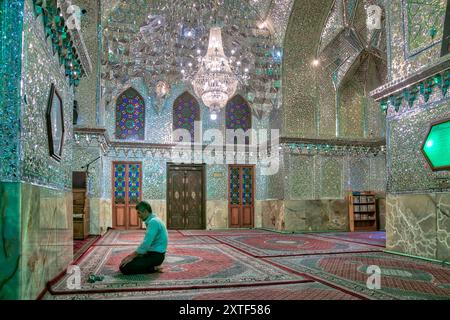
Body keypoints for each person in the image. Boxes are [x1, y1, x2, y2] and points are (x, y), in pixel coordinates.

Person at [119, 201, 168, 275]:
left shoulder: (153, 222)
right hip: (152, 253)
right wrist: (134, 256)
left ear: (145, 211)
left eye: (139, 213)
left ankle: (154, 268)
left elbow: (146, 243)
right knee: (124, 263)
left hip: (156, 256)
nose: (138, 215)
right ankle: (152, 267)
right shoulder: (154, 220)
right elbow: (146, 245)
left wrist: (132, 255)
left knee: (125, 268)